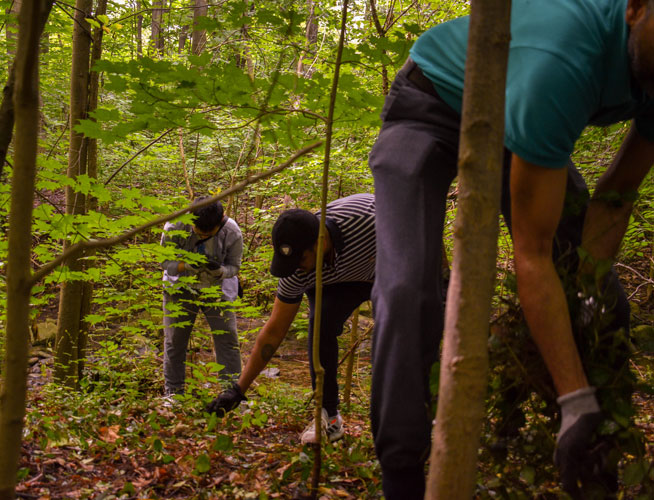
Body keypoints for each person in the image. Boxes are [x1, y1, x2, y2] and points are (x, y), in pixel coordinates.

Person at [369, 0, 654, 497]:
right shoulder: (564, 61)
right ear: (635, 10)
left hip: (518, 119)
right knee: (408, 288)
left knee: (600, 295)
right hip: (431, 100)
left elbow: (616, 196)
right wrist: (574, 395)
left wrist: (586, 296)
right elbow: (532, 254)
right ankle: (403, 469)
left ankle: (598, 444)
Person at [206, 193, 376, 444]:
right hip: (332, 282)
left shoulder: (366, 221)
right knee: (320, 325)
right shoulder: (297, 272)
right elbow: (274, 331)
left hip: (382, 269)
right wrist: (237, 390)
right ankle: (328, 417)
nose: (296, 268)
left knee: (393, 329)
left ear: (319, 242)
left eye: (301, 259)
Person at [160, 198, 243, 396]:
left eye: (208, 232)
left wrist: (221, 271)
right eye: (199, 231)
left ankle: (231, 393)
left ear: (220, 221)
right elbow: (165, 261)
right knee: (175, 340)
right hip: (180, 287)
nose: (203, 235)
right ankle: (173, 393)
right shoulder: (173, 227)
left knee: (228, 340)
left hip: (217, 290)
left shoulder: (232, 231)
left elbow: (235, 266)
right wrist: (185, 266)